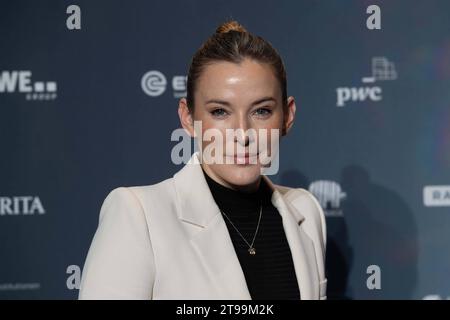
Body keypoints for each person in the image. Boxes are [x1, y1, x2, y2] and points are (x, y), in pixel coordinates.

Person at [79, 20, 327, 300]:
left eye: (262, 111)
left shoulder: (306, 211)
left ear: (288, 115)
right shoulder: (139, 215)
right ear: (188, 118)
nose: (242, 134)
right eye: (220, 112)